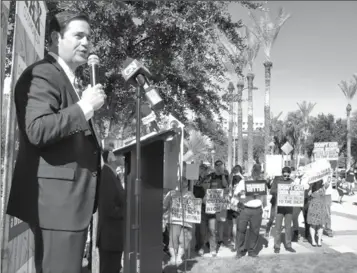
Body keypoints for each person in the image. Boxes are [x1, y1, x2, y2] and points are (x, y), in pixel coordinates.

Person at [6, 11, 106, 273]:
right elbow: (37, 129)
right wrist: (84, 107)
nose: (86, 43)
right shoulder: (43, 74)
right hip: (57, 206)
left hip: (70, 206)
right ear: (55, 37)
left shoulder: (69, 80)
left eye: (89, 37)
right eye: (78, 35)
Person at [97, 150, 125, 273]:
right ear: (110, 159)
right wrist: (126, 211)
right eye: (118, 155)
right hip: (110, 237)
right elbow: (108, 207)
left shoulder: (112, 174)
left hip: (113, 238)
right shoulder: (107, 175)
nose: (123, 157)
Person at [163, 167, 194, 265]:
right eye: (180, 182)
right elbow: (164, 206)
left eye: (184, 182)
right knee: (173, 239)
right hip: (174, 221)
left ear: (186, 184)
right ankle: (173, 256)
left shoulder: (190, 195)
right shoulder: (171, 193)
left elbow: (194, 209)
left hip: (186, 222)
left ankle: (179, 256)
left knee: (184, 239)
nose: (181, 184)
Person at [234, 167, 263, 259]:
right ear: (251, 171)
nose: (256, 173)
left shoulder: (262, 183)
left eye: (258, 171)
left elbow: (265, 197)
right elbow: (235, 194)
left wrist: (265, 209)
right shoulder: (243, 182)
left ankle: (251, 250)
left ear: (260, 172)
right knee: (241, 230)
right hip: (245, 208)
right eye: (254, 171)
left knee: (255, 231)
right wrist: (241, 193)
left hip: (257, 209)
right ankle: (239, 251)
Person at [204, 160, 229, 256]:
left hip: (221, 202)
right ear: (214, 166)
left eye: (220, 166)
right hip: (212, 202)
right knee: (211, 225)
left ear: (223, 166)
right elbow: (206, 187)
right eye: (217, 166)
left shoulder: (226, 175)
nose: (218, 167)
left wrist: (222, 175)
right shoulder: (210, 175)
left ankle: (220, 240)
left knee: (221, 222)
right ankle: (211, 244)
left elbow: (226, 186)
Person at [270, 167, 296, 254]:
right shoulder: (277, 180)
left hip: (289, 207)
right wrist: (281, 189)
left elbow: (297, 192)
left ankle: (288, 245)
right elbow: (271, 190)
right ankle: (277, 246)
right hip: (279, 207)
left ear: (289, 174)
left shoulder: (292, 181)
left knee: (288, 227)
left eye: (287, 175)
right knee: (278, 228)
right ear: (282, 173)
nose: (286, 176)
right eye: (284, 174)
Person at [227, 165, 245, 251]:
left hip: (233, 203)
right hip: (239, 203)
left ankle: (235, 243)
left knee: (234, 224)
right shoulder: (242, 180)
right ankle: (238, 243)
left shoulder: (231, 179)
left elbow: (229, 192)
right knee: (239, 224)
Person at [194, 163, 210, 255]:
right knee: (198, 227)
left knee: (207, 226)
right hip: (197, 204)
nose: (202, 171)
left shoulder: (208, 178)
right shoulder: (193, 179)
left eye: (204, 169)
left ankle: (206, 242)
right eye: (201, 169)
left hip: (207, 204)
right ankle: (198, 244)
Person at [307, 180, 327, 247]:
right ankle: (313, 240)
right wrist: (309, 190)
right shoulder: (311, 186)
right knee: (313, 224)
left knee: (320, 224)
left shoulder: (323, 186)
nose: (320, 182)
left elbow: (327, 186)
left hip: (321, 207)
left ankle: (319, 240)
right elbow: (308, 195)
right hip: (313, 207)